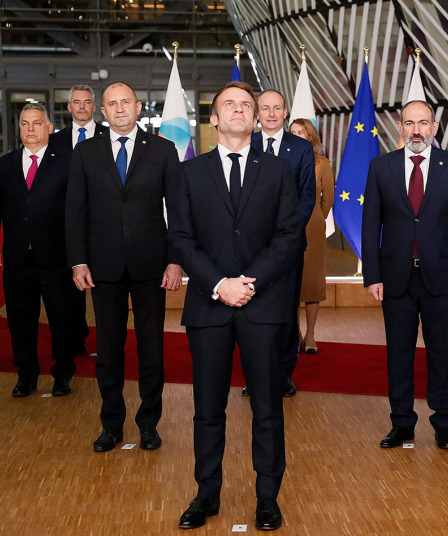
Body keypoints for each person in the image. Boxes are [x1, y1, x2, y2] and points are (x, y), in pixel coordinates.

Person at [169, 81, 300, 531]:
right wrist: (219, 284)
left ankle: (267, 497)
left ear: (257, 118)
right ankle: (206, 493)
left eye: (247, 105)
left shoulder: (278, 170)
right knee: (207, 408)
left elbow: (288, 237)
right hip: (209, 307)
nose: (240, 110)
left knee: (267, 407)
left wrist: (248, 285)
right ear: (213, 119)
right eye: (230, 104)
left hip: (264, 306)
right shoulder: (189, 173)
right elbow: (181, 238)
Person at [65, 82, 183, 452]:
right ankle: (111, 425)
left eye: (125, 102)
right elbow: (74, 211)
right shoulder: (85, 152)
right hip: (103, 267)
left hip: (152, 265)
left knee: (151, 351)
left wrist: (175, 260)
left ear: (138, 107)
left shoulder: (163, 150)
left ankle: (149, 424)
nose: (119, 109)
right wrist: (78, 261)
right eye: (112, 104)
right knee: (109, 351)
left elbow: (179, 210)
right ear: (102, 112)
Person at [362, 100, 448, 450]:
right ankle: (402, 423)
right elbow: (370, 226)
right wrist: (372, 276)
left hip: (442, 277)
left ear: (434, 127)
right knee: (399, 354)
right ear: (400, 127)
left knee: (442, 353)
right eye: (409, 123)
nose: (416, 130)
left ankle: (443, 423)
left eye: (423, 123)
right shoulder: (380, 167)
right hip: (395, 277)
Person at [0, 103, 76, 397]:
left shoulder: (68, 162)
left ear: (49, 128)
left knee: (61, 320)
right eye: (25, 123)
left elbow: (78, 210)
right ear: (19, 128)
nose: (30, 128)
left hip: (56, 258)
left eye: (36, 123)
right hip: (17, 259)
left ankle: (63, 374)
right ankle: (26, 375)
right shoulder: (4, 165)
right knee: (20, 321)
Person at [246, 90, 316, 398]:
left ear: (285, 112)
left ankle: (284, 374)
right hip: (250, 247)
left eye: (277, 108)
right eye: (265, 108)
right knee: (253, 310)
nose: (272, 113)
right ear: (257, 113)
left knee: (286, 309)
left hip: (288, 246)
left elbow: (306, 198)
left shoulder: (301, 148)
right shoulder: (245, 143)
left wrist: (284, 237)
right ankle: (255, 376)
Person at [49, 84, 108, 356]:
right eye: (77, 102)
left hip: (102, 224)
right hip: (66, 224)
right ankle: (75, 339)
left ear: (94, 107)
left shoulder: (110, 135)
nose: (82, 106)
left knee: (104, 288)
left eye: (87, 102)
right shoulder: (55, 141)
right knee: (70, 288)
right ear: (69, 107)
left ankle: (107, 344)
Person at [289, 118, 334, 354]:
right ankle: (295, 333)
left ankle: (311, 334)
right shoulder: (281, 162)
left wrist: (316, 217)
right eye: (293, 132)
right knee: (292, 284)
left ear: (310, 137)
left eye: (301, 132)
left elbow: (328, 199)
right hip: (287, 228)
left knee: (312, 284)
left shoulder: (322, 164)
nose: (296, 136)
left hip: (313, 227)